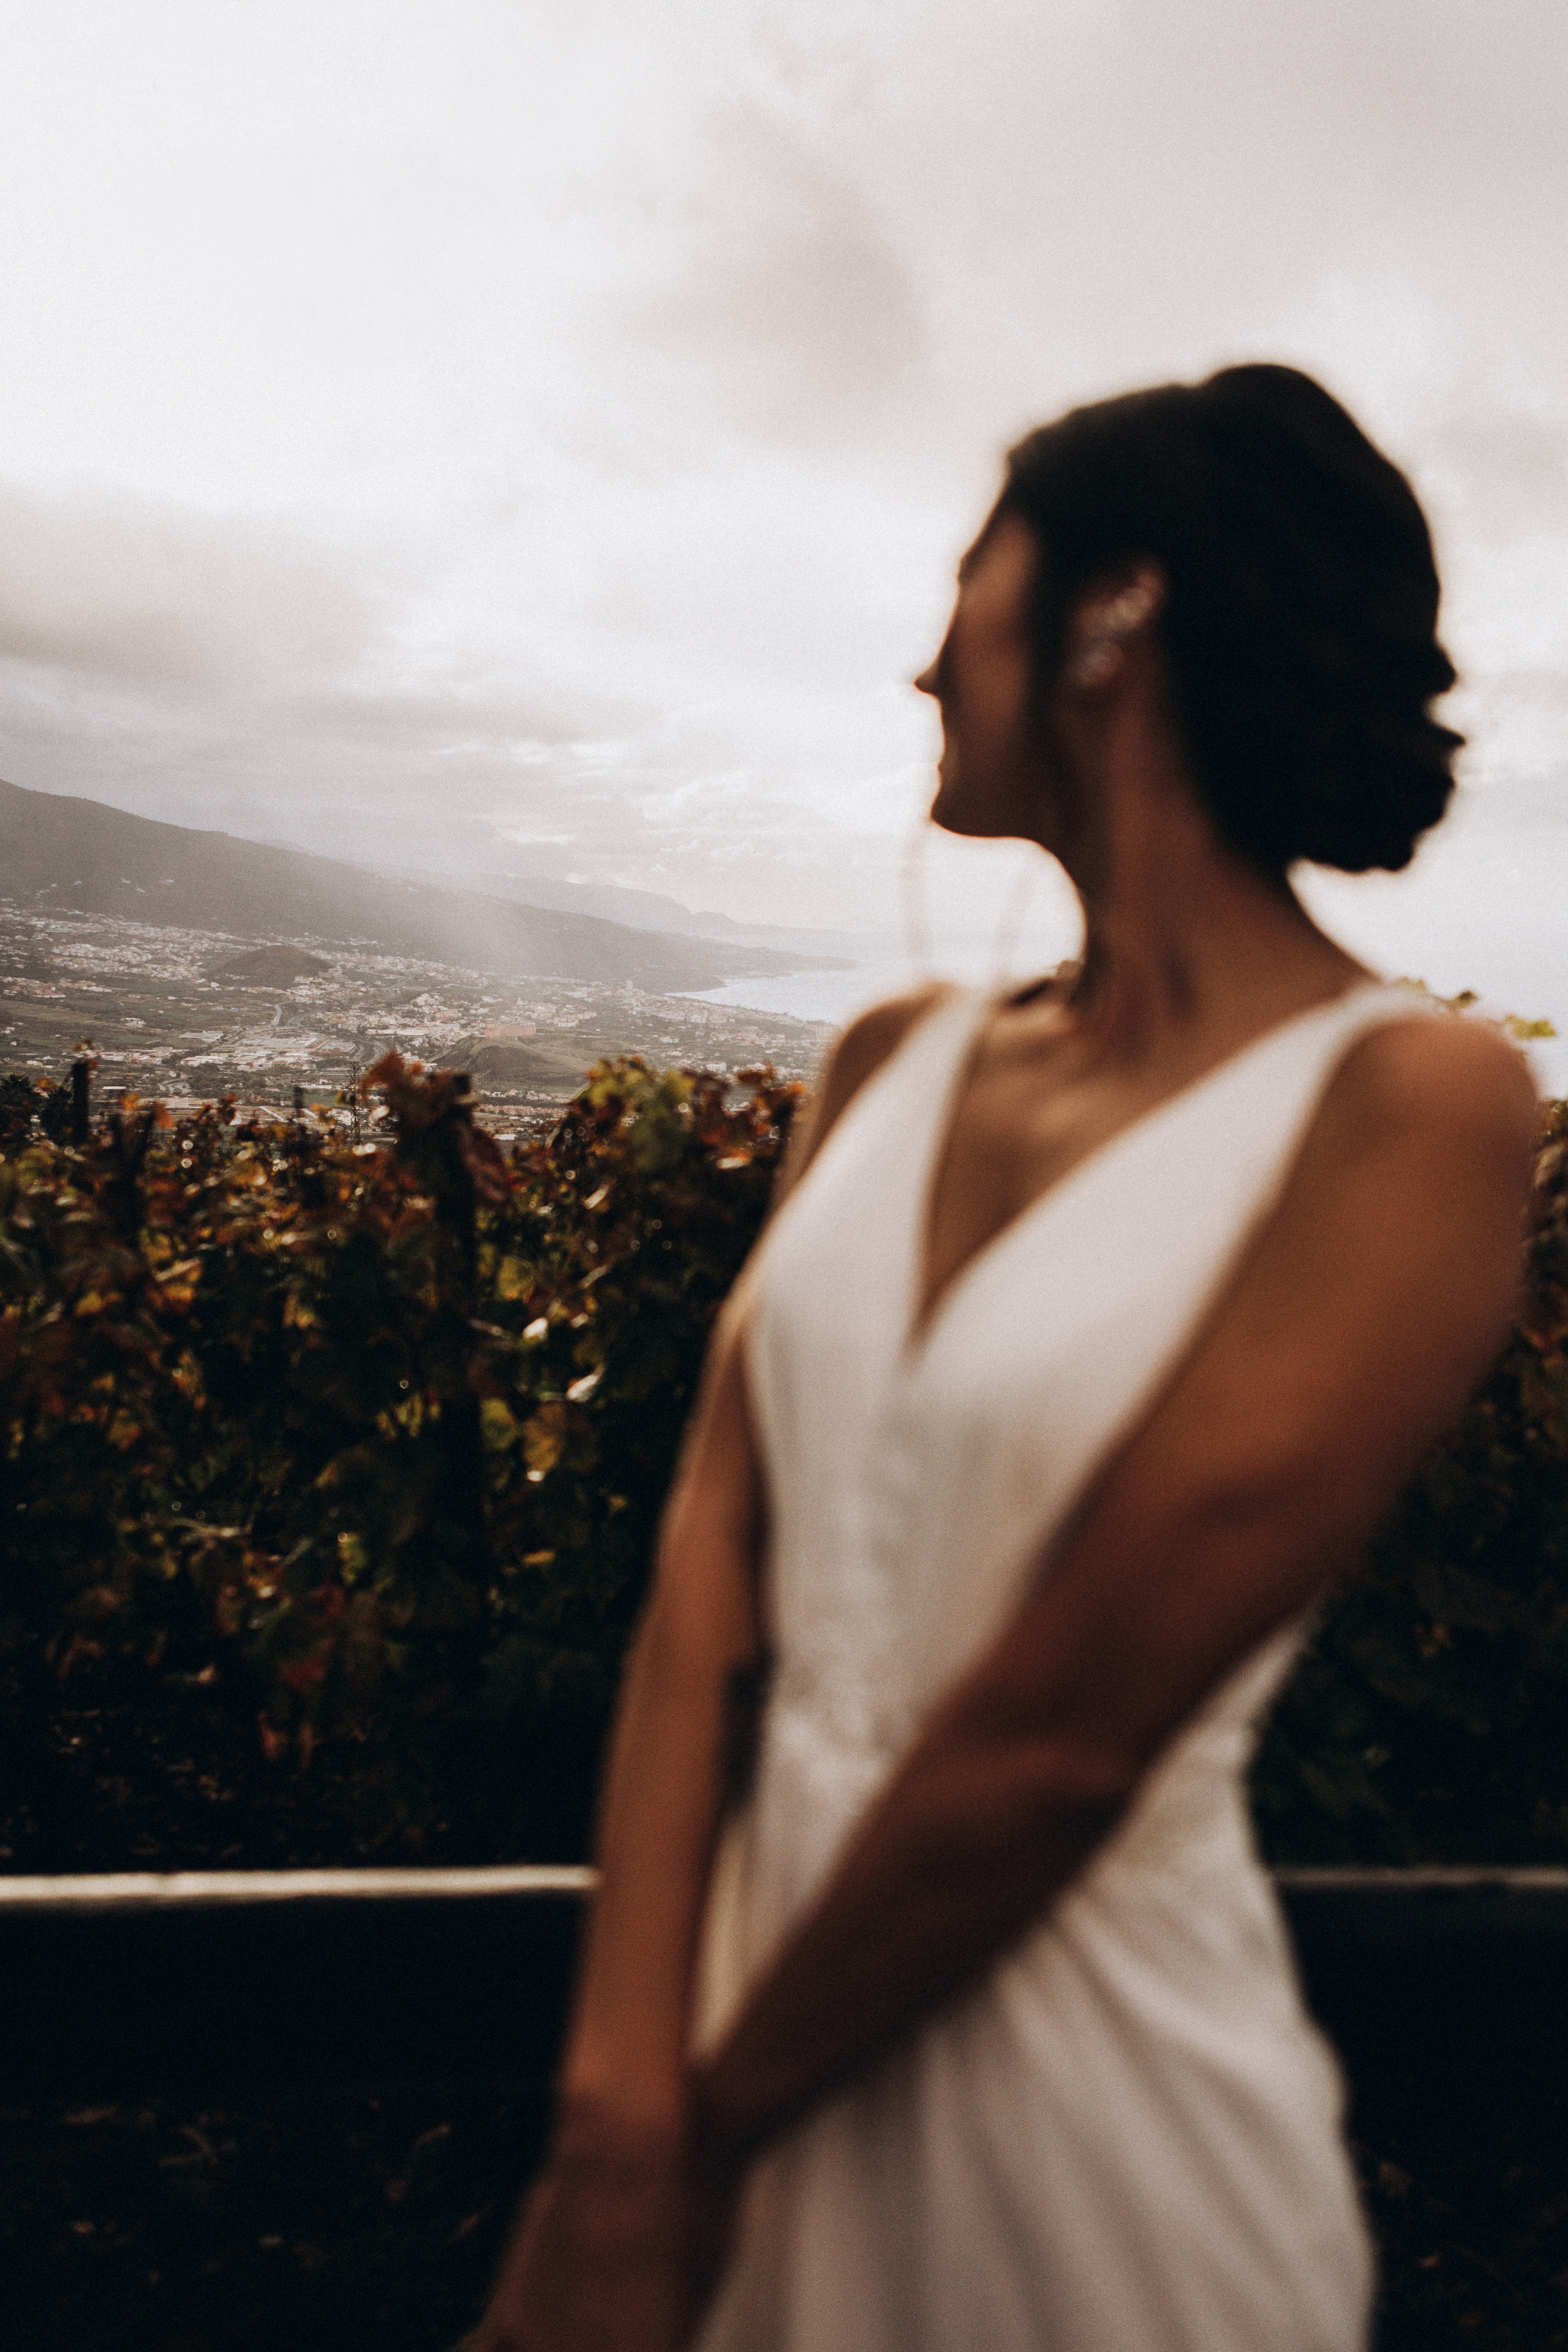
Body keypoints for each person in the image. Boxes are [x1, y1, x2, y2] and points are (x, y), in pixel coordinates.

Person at [469, 364, 1537, 2351]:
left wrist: (691, 2145)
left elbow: (1059, 1749)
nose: (918, 663)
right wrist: (617, 2121)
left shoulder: (1415, 1110)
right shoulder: (887, 1060)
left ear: (1115, 621)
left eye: (971, 582)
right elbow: (714, 1554)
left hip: (1096, 2120)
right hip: (722, 2053)